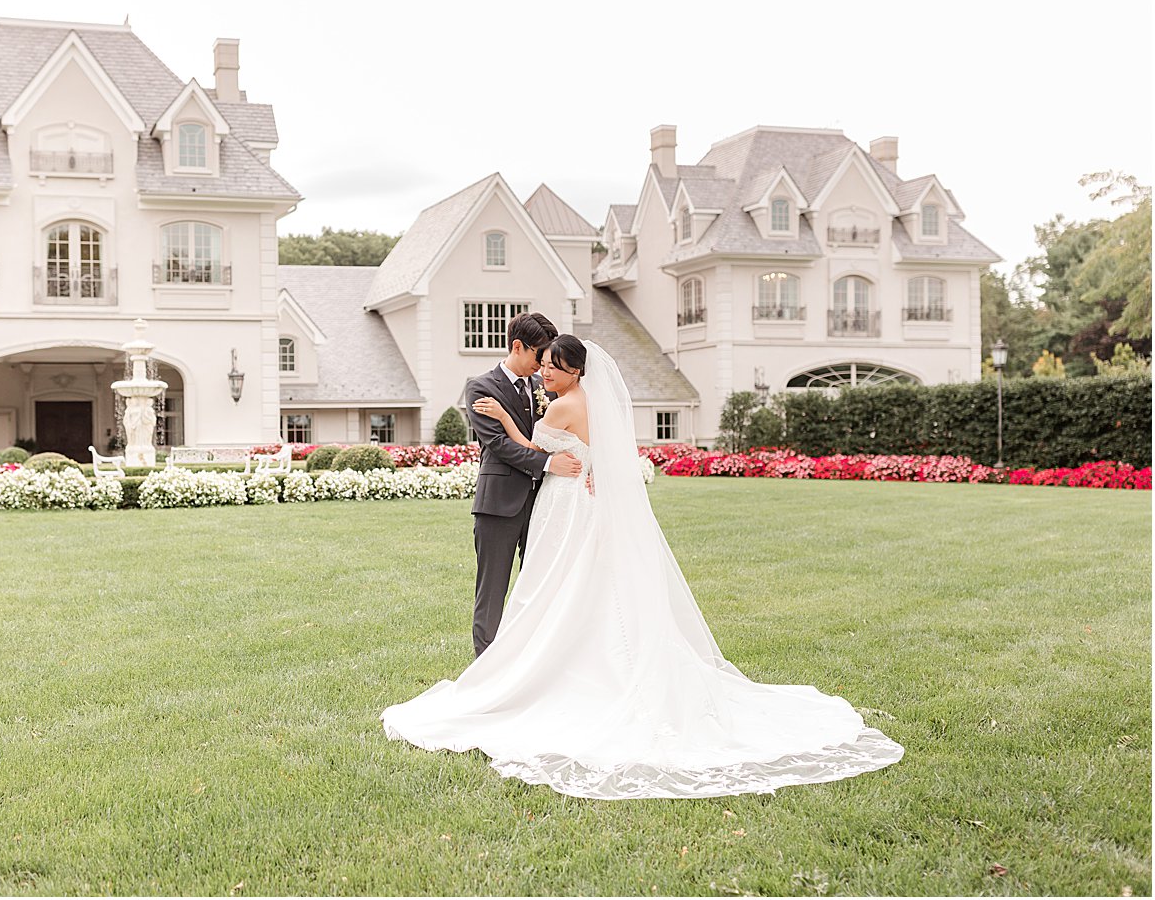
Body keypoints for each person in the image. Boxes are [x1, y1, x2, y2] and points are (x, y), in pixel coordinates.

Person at [382, 336, 904, 799]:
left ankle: (541, 669)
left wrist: (503, 423)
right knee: (569, 585)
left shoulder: (564, 406)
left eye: (553, 368)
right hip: (573, 498)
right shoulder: (577, 401)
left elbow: (536, 445)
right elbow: (582, 452)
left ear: (575, 373)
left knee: (555, 585)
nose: (545, 373)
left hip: (565, 502)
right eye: (543, 365)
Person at [460, 313, 583, 658]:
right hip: (499, 503)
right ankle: (485, 666)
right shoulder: (480, 387)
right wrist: (548, 463)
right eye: (539, 356)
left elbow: (551, 436)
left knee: (539, 586)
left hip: (545, 504)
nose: (544, 366)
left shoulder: (543, 387)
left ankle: (531, 661)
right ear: (518, 346)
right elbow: (499, 444)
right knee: (492, 589)